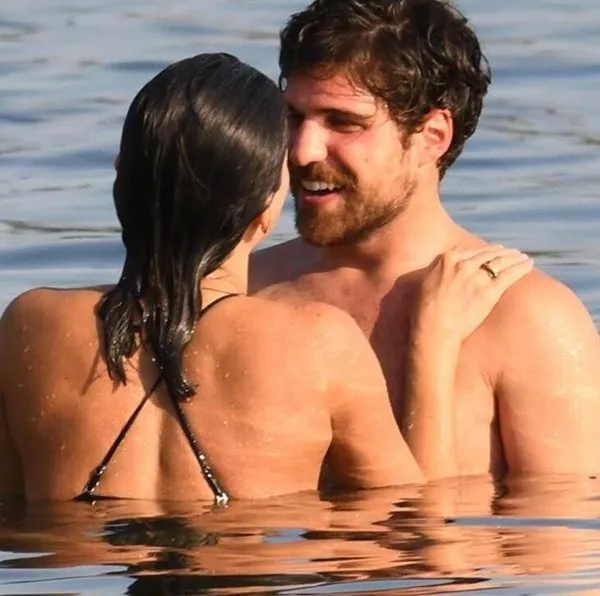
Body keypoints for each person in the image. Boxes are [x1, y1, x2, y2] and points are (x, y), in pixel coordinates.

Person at [0, 52, 438, 503]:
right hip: (247, 546)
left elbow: (9, 508)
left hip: (75, 552)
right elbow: (407, 515)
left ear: (120, 181)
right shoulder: (320, 342)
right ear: (266, 207)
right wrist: (432, 351)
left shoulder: (28, 324)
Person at [251, 0, 600, 480]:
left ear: (433, 135)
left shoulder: (528, 320)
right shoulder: (244, 288)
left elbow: (562, 523)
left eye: (343, 122)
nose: (303, 150)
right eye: (293, 117)